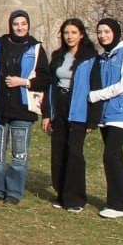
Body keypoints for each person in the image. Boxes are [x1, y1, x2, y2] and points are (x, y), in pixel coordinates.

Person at [0, 10, 52, 205]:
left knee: (19, 155)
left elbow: (45, 79)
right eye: (16, 24)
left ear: (28, 25)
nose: (19, 27)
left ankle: (14, 193)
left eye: (23, 24)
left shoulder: (36, 49)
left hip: (22, 110)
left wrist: (23, 81)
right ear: (10, 25)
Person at [88, 18, 123, 219]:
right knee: (115, 156)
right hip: (107, 115)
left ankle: (118, 205)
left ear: (116, 32)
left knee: (110, 155)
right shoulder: (104, 57)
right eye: (99, 32)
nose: (102, 35)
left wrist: (97, 95)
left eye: (106, 31)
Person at [43, 19, 96, 213]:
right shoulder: (58, 56)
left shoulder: (90, 57)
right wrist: (47, 114)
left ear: (81, 34)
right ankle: (61, 194)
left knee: (74, 153)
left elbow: (95, 87)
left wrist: (92, 119)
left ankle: (76, 199)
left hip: (79, 109)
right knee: (58, 153)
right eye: (66, 33)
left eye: (74, 32)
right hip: (60, 108)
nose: (70, 36)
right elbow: (50, 85)